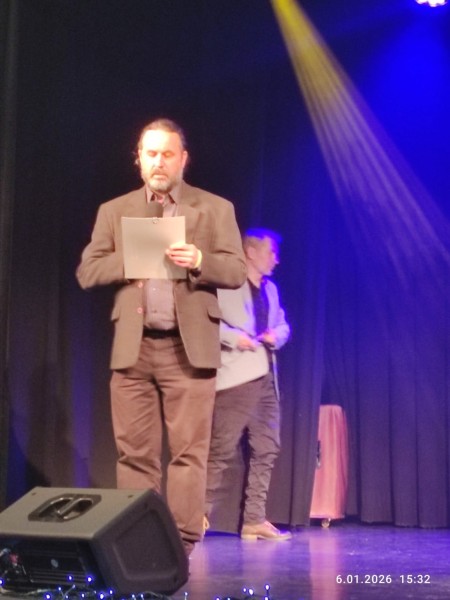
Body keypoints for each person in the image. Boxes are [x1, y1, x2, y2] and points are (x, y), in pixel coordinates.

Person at [76, 118, 246, 555]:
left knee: (189, 453)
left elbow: (236, 270)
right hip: (134, 349)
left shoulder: (215, 208)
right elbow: (88, 272)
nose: (158, 162)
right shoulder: (115, 210)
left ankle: (182, 547)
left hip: (188, 350)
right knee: (135, 456)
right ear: (138, 159)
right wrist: (132, 257)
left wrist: (199, 260)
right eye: (150, 154)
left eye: (167, 154)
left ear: (183, 159)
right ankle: (139, 543)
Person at [205, 228, 291, 540]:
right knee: (221, 449)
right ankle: (197, 517)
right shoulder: (227, 284)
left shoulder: (271, 289)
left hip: (267, 378)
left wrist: (275, 336)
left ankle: (254, 519)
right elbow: (206, 322)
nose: (275, 259)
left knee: (267, 448)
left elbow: (283, 325)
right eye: (271, 252)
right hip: (236, 379)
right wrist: (234, 338)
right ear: (251, 253)